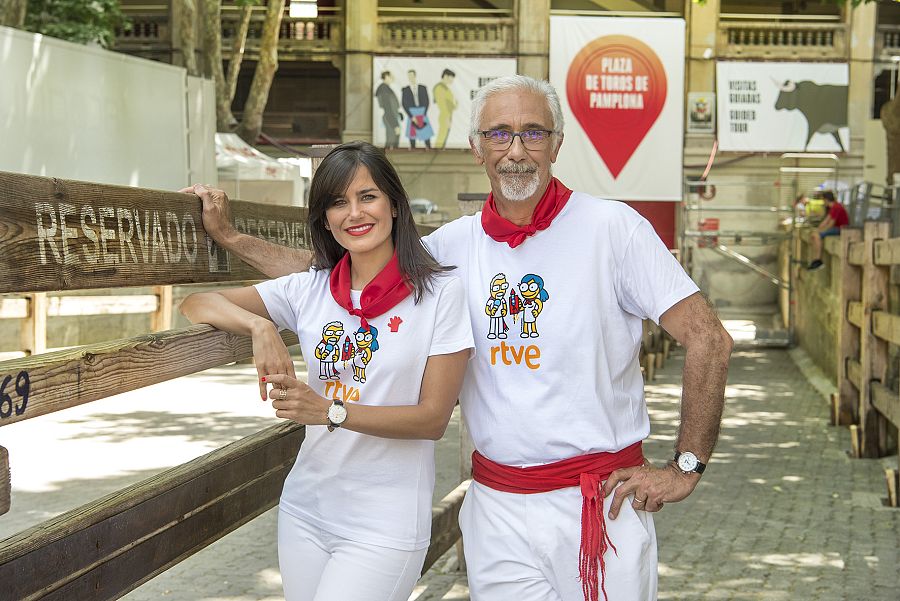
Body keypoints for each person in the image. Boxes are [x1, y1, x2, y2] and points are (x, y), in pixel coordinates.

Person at [191, 75, 733, 601]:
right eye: (499, 134)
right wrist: (234, 240)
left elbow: (709, 338)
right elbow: (337, 266)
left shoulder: (614, 229)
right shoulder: (454, 247)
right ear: (477, 148)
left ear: (557, 144)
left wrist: (685, 467)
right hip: (496, 509)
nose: (515, 149)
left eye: (532, 133)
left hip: (599, 505)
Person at [179, 142, 474, 601]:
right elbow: (196, 305)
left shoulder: (440, 295)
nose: (354, 212)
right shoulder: (310, 290)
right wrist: (261, 326)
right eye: (338, 202)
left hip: (384, 523)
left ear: (394, 204)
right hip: (306, 510)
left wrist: (330, 411)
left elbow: (433, 419)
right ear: (324, 218)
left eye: (367, 196)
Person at [807, 190, 848, 270]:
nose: (823, 202)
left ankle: (818, 260)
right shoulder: (834, 207)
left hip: (841, 229)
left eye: (823, 200)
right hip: (837, 228)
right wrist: (818, 229)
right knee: (814, 234)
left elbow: (830, 224)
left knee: (816, 235)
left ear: (826, 199)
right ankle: (815, 259)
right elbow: (826, 221)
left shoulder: (836, 207)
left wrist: (819, 231)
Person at [401, 70, 433, 149]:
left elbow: (427, 101)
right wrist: (411, 116)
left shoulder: (422, 88)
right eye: (409, 76)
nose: (410, 78)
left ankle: (428, 147)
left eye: (412, 76)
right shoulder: (405, 89)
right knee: (412, 133)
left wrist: (423, 113)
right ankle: (413, 148)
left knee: (425, 132)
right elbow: (404, 104)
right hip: (412, 112)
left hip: (422, 112)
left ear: (415, 76)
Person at [374, 71, 402, 149]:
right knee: (392, 139)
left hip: (390, 116)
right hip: (390, 117)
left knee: (391, 139)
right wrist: (395, 124)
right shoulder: (384, 89)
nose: (393, 78)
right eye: (391, 76)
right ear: (386, 77)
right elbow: (387, 108)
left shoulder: (385, 88)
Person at [433, 68, 458, 149]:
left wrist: (455, 105)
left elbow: (450, 104)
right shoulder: (440, 88)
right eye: (451, 78)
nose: (452, 81)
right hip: (445, 115)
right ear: (446, 76)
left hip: (448, 115)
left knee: (444, 136)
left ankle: (438, 151)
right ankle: (436, 151)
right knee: (441, 137)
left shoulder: (445, 88)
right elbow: (443, 105)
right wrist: (447, 117)